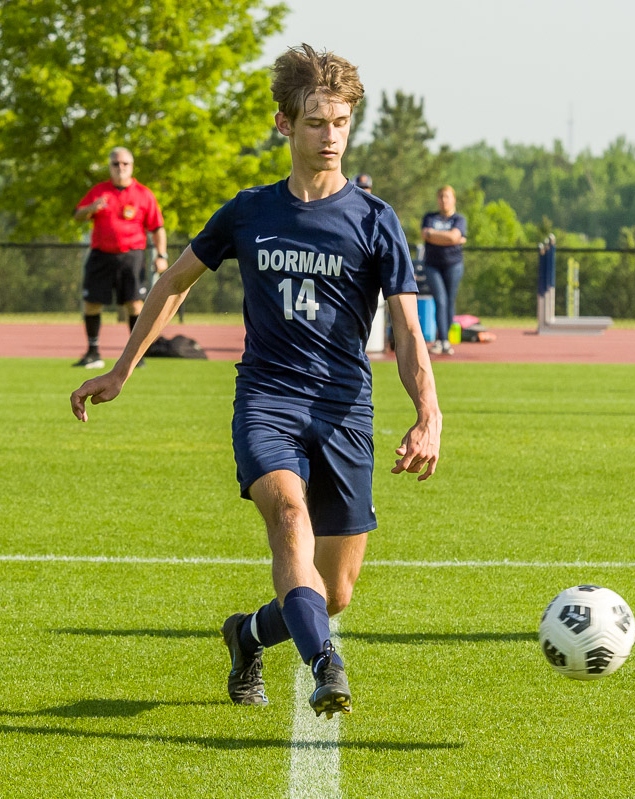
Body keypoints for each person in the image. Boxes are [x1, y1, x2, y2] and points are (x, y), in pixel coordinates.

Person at [70, 45, 441, 719]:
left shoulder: (374, 219)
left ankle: (246, 634)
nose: (330, 136)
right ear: (284, 125)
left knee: (333, 593)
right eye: (315, 122)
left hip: (345, 412)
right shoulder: (249, 212)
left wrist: (429, 413)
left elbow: (411, 332)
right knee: (290, 522)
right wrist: (122, 367)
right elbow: (174, 281)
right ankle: (325, 662)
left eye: (340, 123)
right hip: (267, 401)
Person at [72, 146, 169, 369]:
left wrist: (161, 255)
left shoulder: (144, 194)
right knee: (91, 304)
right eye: (116, 164)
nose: (120, 168)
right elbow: (78, 215)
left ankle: (136, 355)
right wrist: (91, 208)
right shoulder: (99, 191)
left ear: (132, 166)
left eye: (125, 164)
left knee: (135, 305)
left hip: (131, 256)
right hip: (101, 255)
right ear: (110, 167)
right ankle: (93, 353)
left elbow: (157, 228)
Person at [421, 185, 468, 355]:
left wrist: (434, 236)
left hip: (453, 265)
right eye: (440, 197)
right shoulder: (430, 217)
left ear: (453, 199)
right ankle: (440, 341)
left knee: (449, 301)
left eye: (447, 197)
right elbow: (426, 234)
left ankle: (445, 339)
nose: (443, 200)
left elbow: (454, 236)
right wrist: (450, 239)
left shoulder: (459, 219)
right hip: (432, 265)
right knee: (440, 300)